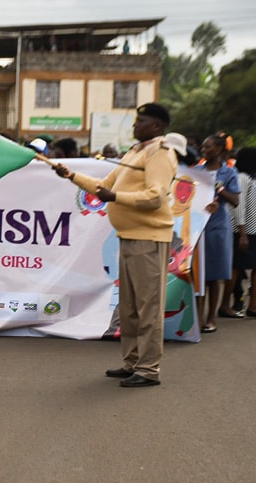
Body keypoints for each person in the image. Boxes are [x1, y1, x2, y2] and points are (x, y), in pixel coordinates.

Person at [52, 103, 177, 388]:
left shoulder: (160, 153)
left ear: (157, 126)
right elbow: (102, 186)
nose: (135, 126)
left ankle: (148, 369)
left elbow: (155, 197)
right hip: (130, 236)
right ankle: (132, 362)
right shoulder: (135, 152)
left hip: (149, 238)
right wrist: (71, 175)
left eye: (141, 121)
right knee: (129, 307)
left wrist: (116, 197)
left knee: (148, 307)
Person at [222, 146, 256, 319]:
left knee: (238, 268)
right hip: (244, 231)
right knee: (254, 267)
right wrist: (243, 233)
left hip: (250, 230)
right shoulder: (242, 178)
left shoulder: (250, 178)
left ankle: (231, 304)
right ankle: (250, 305)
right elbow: (239, 205)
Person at [198, 133, 240, 332]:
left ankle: (211, 317)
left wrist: (219, 190)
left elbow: (235, 200)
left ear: (220, 150)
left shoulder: (229, 173)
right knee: (198, 274)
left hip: (217, 227)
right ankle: (197, 317)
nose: (204, 150)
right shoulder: (197, 171)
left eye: (209, 147)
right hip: (198, 226)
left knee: (214, 275)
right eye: (203, 147)